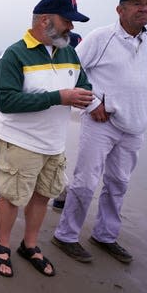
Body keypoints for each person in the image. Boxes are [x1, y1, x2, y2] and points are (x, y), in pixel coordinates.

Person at [52, 0, 147, 264]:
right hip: (102, 122)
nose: (145, 8)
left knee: (119, 183)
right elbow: (73, 69)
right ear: (120, 9)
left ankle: (105, 235)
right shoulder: (101, 38)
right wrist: (92, 103)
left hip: (135, 126)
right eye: (137, 3)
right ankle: (65, 235)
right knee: (86, 181)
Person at [0, 0, 93, 277]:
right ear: (45, 21)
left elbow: (82, 83)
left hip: (55, 143)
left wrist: (88, 97)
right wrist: (59, 97)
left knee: (43, 196)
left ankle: (30, 244)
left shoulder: (69, 52)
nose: (71, 28)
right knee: (11, 197)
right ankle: (2, 245)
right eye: (67, 21)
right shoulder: (14, 54)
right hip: (21, 141)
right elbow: (7, 101)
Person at [52, 30, 83, 210]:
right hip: (32, 122)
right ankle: (62, 194)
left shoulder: (72, 63)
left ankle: (62, 194)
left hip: (58, 120)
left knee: (56, 155)